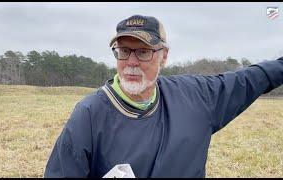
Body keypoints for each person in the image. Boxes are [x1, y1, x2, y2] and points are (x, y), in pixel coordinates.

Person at [44, 15, 283, 178]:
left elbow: (250, 80)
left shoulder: (197, 97)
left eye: (143, 52)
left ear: (164, 56)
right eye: (124, 51)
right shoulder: (89, 114)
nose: (131, 62)